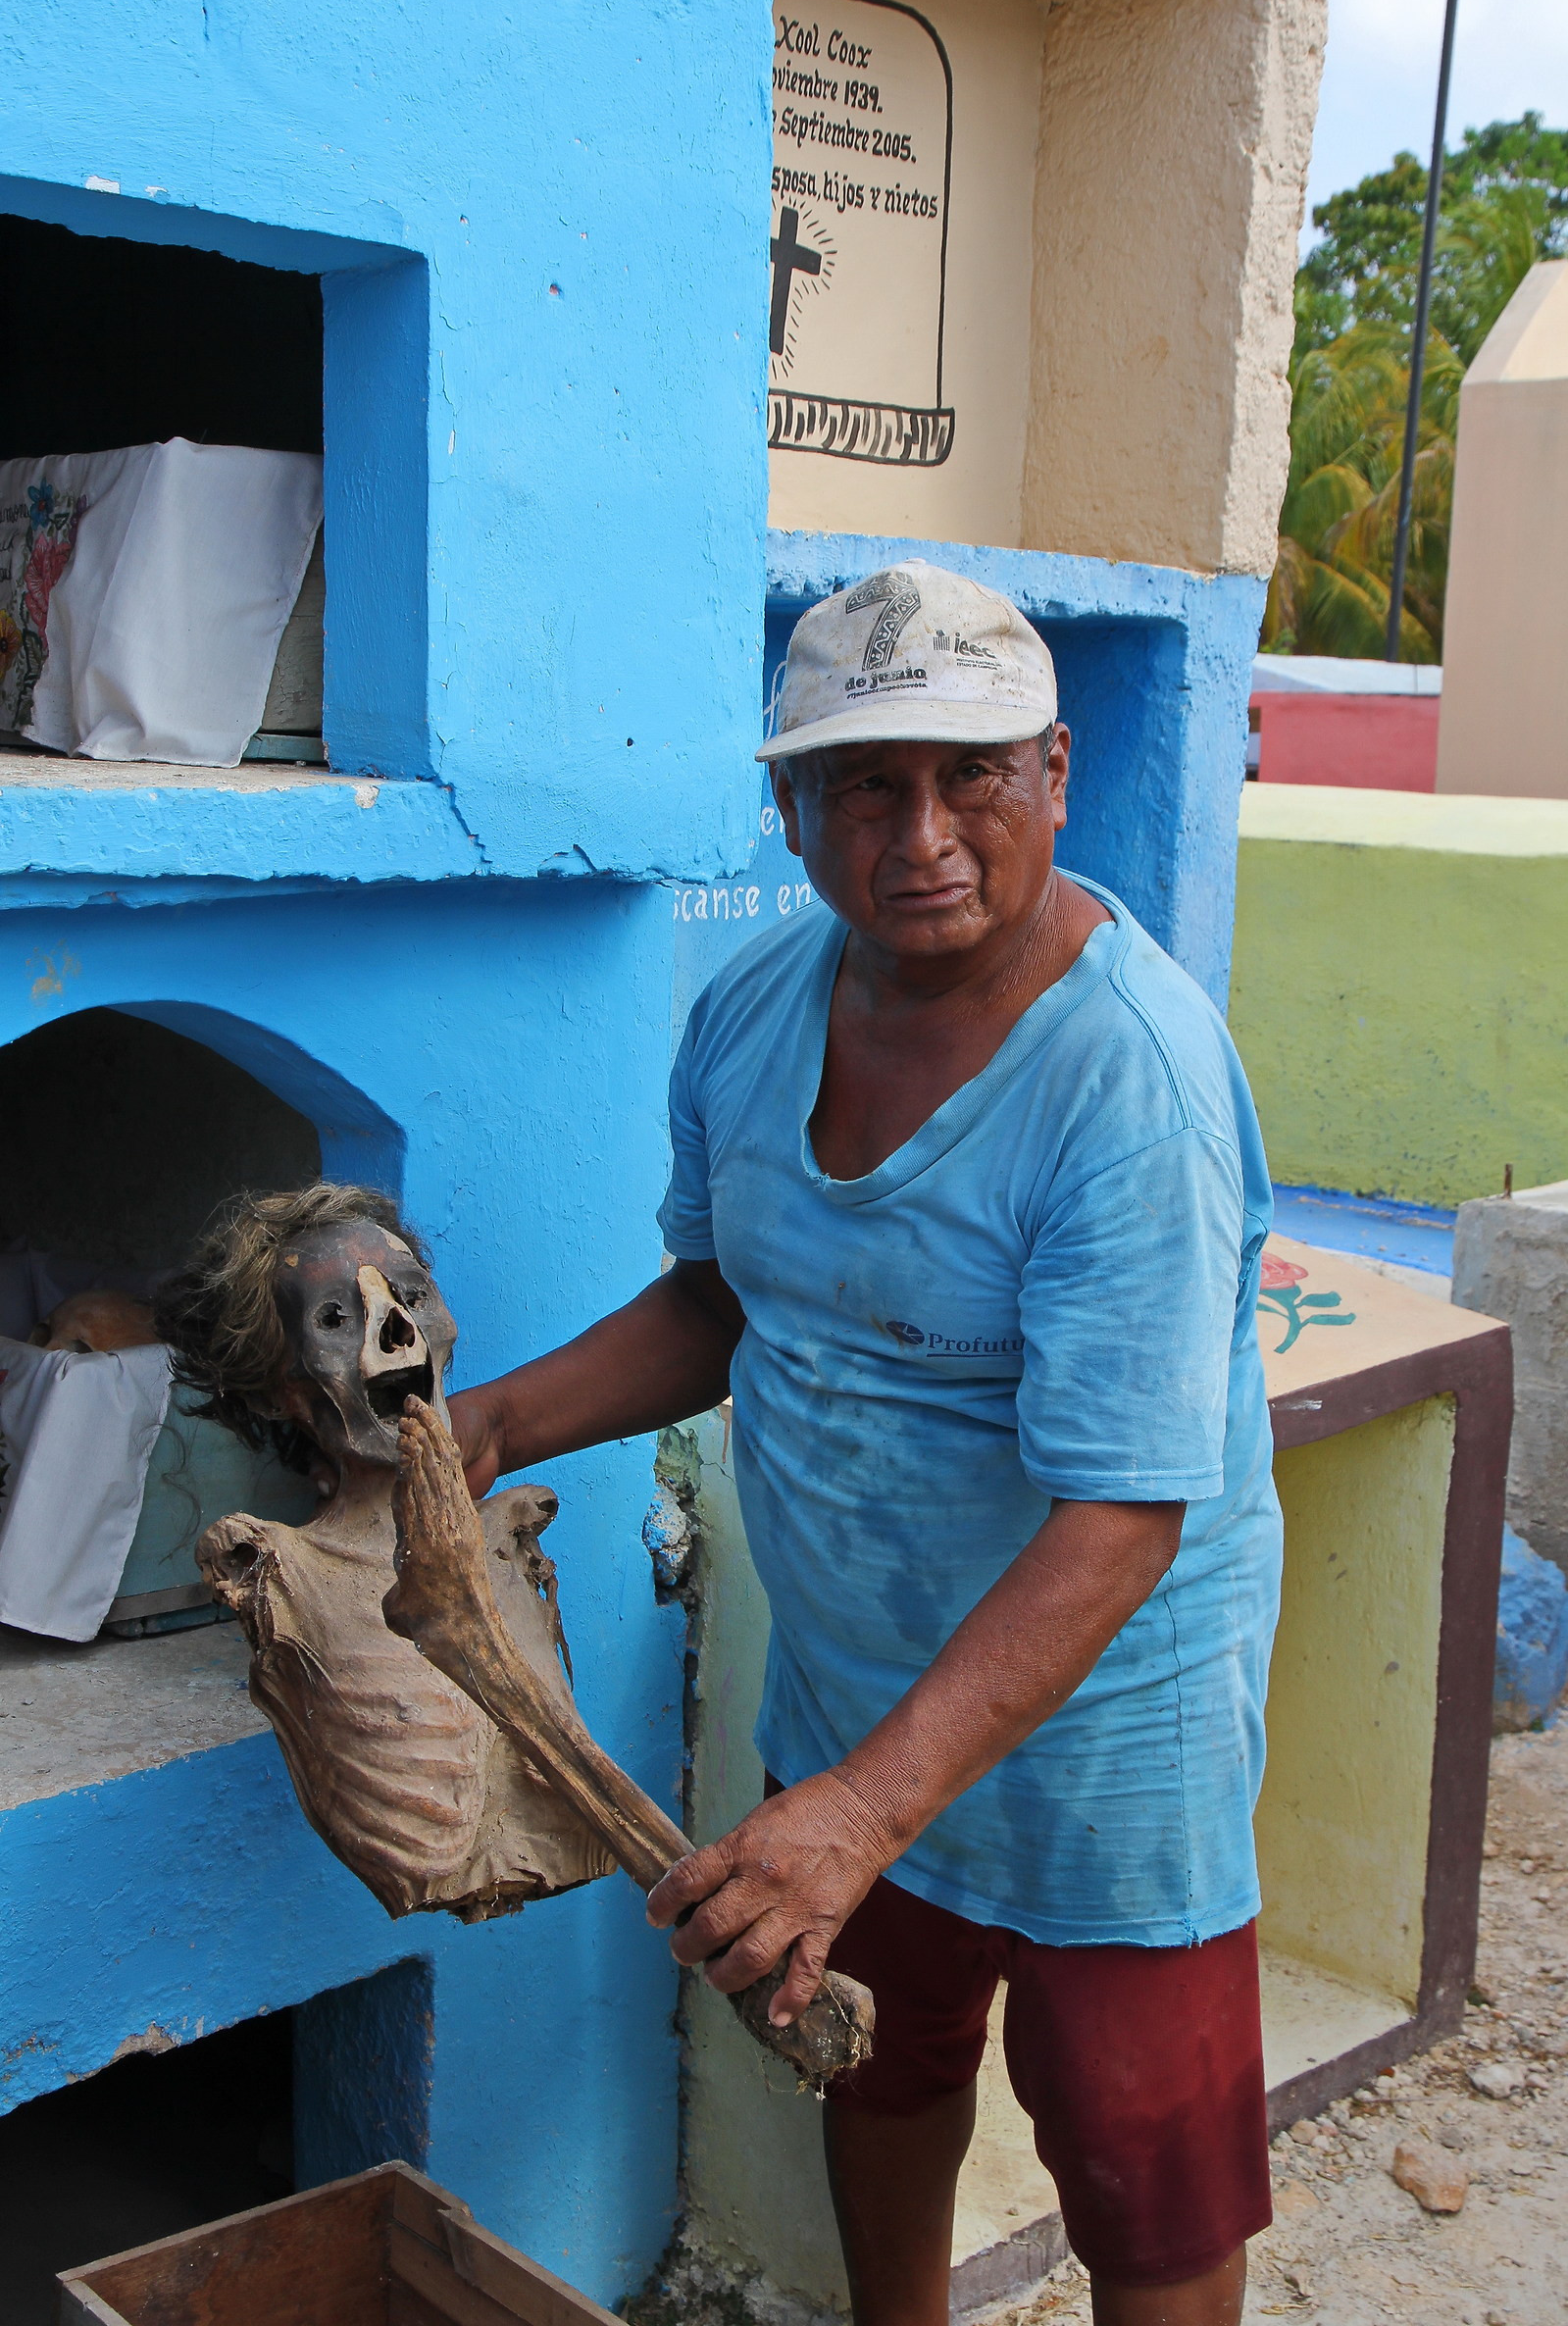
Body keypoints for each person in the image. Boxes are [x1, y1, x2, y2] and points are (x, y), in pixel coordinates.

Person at [450, 559, 1282, 2326]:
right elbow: (727, 1301)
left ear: (1054, 772)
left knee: (1146, 2170)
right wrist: (496, 1422)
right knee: (878, 2066)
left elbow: (1122, 1521)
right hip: (851, 1692)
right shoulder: (754, 1012)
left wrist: (857, 1816)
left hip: (1100, 1745)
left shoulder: (1129, 1079)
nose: (922, 833)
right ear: (789, 809)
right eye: (863, 784)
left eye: (969, 774)